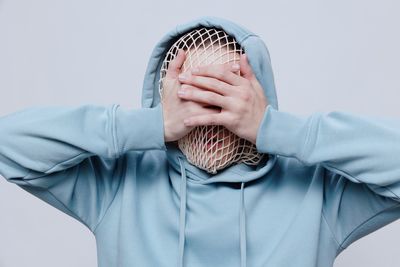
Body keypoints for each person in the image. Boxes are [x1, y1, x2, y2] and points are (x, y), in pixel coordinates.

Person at [1, 16, 400, 267]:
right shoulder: (117, 187)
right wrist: (150, 125)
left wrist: (275, 129)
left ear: (256, 96)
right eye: (192, 98)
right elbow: (9, 144)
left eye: (224, 98)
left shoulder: (319, 196)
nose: (209, 123)